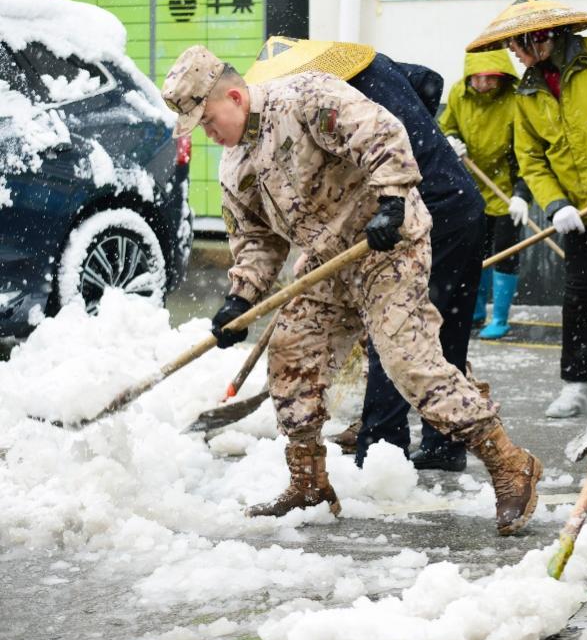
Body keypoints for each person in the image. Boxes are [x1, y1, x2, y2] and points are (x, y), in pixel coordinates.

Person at [162, 45, 542, 535]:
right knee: (291, 350)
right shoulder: (236, 166)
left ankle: (510, 463)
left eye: (209, 121)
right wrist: (242, 297)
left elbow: (380, 133)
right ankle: (309, 480)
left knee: (409, 362)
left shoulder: (304, 98)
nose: (210, 135)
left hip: (386, 248)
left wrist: (391, 198)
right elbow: (256, 240)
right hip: (327, 263)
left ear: (234, 96)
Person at [245, 38, 483, 473]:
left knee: (395, 329)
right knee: (443, 330)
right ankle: (445, 444)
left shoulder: (328, 96)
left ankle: (381, 446)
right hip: (462, 202)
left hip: (416, 209)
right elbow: (429, 83)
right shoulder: (374, 66)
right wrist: (426, 140)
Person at [467, 0, 587, 419]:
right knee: (576, 294)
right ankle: (576, 385)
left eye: (517, 47)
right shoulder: (528, 92)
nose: (514, 57)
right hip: (576, 209)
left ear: (541, 36)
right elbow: (532, 158)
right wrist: (554, 205)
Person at [438, 49, 532, 341]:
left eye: (490, 79)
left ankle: (500, 318)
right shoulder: (458, 93)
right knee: (472, 252)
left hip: (506, 190)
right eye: (477, 78)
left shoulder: (516, 99)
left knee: (504, 253)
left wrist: (522, 193)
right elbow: (446, 126)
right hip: (471, 188)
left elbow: (528, 151)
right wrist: (451, 141)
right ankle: (475, 311)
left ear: (501, 77)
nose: (483, 85)